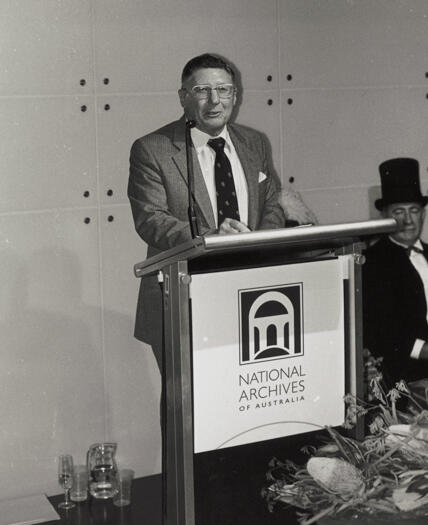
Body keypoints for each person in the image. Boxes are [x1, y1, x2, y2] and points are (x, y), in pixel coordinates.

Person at [128, 52, 304, 371]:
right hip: (182, 300)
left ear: (235, 97)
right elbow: (150, 219)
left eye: (223, 90)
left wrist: (257, 244)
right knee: (189, 412)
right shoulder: (152, 149)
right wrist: (211, 240)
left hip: (251, 297)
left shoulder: (254, 142)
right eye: (202, 91)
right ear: (183, 97)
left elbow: (273, 202)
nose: (214, 101)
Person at [362, 157, 428, 388]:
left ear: (423, 213)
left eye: (414, 210)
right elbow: (382, 334)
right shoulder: (373, 263)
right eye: (399, 211)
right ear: (385, 216)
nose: (408, 220)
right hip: (407, 380)